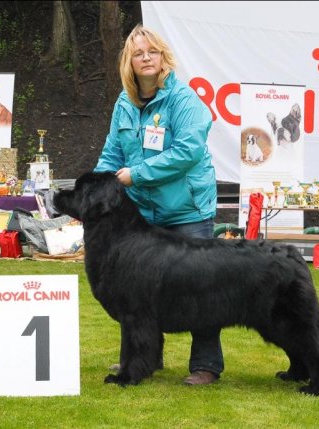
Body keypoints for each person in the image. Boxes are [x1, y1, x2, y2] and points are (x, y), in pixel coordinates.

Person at [94, 25, 223, 385]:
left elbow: (187, 152)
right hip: (142, 213)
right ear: (129, 62)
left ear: (163, 57)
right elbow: (112, 153)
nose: (146, 58)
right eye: (138, 53)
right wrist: (98, 185)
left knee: (200, 287)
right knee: (137, 287)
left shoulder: (184, 100)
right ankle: (141, 359)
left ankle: (206, 365)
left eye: (152, 51)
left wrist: (134, 175)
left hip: (187, 210)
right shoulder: (124, 103)